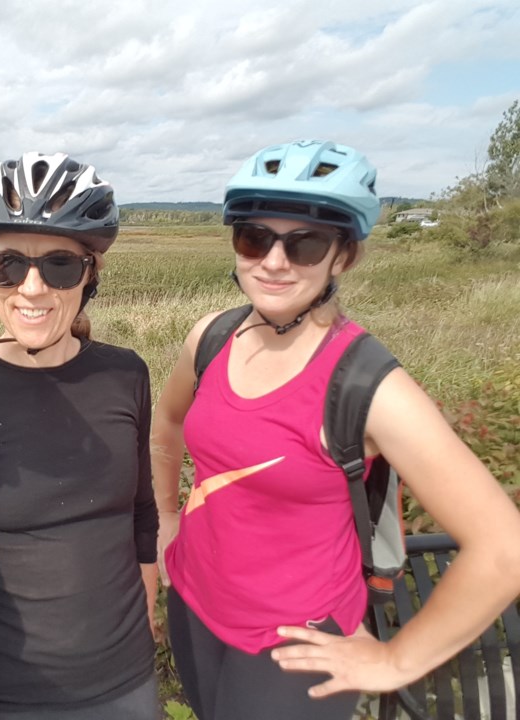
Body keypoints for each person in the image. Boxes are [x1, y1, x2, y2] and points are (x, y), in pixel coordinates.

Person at [151, 139, 520, 720]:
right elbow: (165, 425)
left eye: (305, 244)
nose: (274, 262)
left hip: (296, 648)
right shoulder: (212, 338)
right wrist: (166, 516)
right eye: (254, 238)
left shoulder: (368, 386)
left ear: (342, 257)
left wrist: (397, 661)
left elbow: (504, 549)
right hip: (196, 605)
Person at [0, 152, 160, 719]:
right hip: (2, 693)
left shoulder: (126, 374)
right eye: (9, 264)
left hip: (127, 685)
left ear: (90, 273)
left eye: (61, 265)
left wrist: (148, 608)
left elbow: (140, 509)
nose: (33, 287)